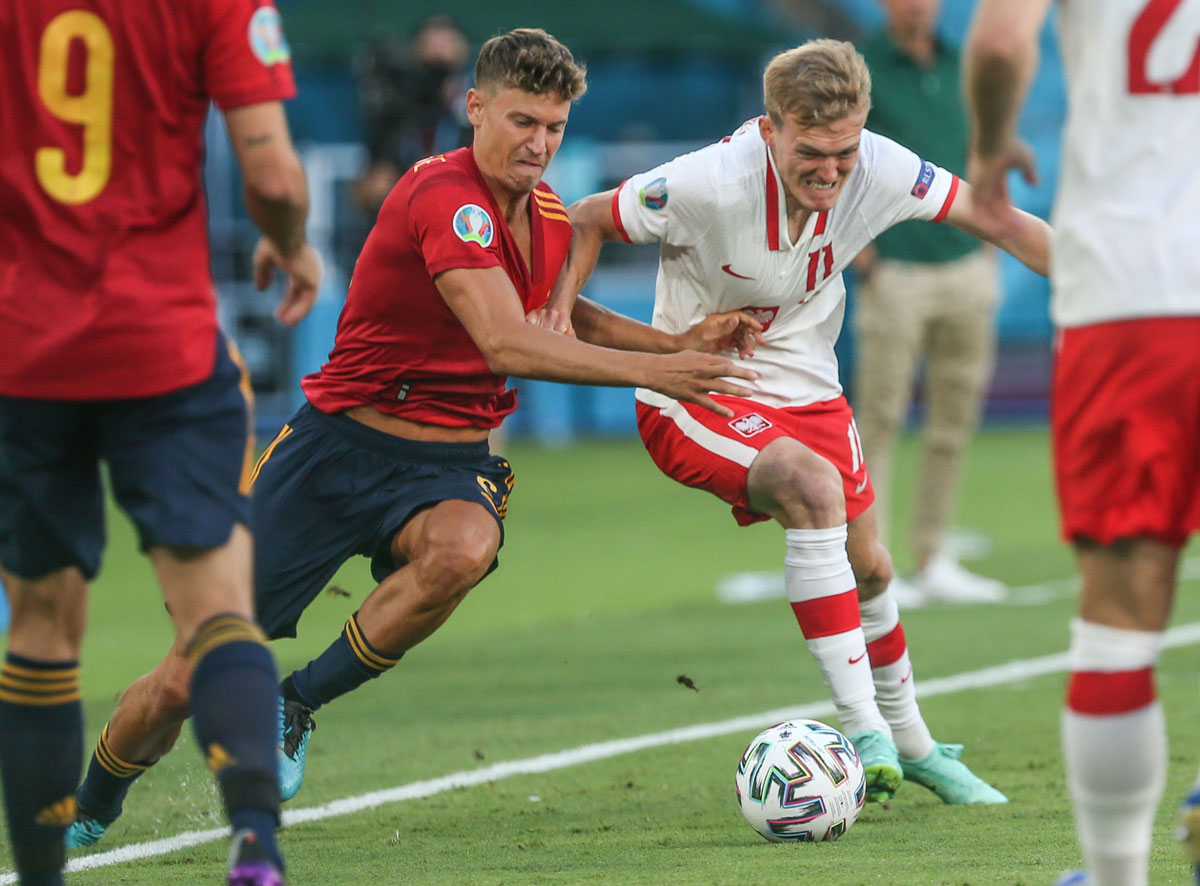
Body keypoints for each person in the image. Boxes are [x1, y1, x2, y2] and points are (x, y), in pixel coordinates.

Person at [64, 27, 760, 848]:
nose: (539, 143)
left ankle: (297, 702)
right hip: (333, 452)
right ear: (475, 109)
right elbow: (506, 341)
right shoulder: (444, 196)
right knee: (188, 676)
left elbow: (561, 315)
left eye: (555, 127)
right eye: (522, 121)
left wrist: (677, 345)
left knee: (466, 547)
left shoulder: (540, 214)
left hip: (446, 461)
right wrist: (656, 374)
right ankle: (88, 807)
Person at [551, 38, 1051, 806]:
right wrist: (556, 317)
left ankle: (913, 745)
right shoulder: (706, 183)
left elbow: (1004, 222)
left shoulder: (881, 166)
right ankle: (862, 730)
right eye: (811, 153)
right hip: (696, 391)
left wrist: (1109, 301)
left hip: (808, 387)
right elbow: (585, 217)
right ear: (772, 127)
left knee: (873, 567)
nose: (830, 170)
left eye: (844, 153)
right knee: (811, 488)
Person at [0, 0, 320, 883]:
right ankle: (255, 839)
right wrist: (291, 246)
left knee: (40, 626)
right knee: (217, 607)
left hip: (23, 353)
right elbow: (277, 180)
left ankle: (37, 876)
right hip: (163, 349)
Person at [964, 2, 1200, 884]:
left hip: (1135, 300)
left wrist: (990, 153)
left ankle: (1115, 877)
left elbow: (998, 41)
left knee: (1121, 623)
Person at [851, 0, 1006, 607]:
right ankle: (875, 562)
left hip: (966, 262)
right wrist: (858, 246)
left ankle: (934, 555)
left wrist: (993, 237)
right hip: (895, 269)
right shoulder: (860, 67)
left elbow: (984, 147)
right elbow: (836, 156)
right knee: (879, 420)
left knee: (954, 418)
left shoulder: (962, 62)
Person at [354, 15, 473, 214]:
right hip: (406, 216)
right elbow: (366, 189)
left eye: (443, 63)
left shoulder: (477, 115)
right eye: (430, 50)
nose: (438, 55)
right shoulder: (395, 114)